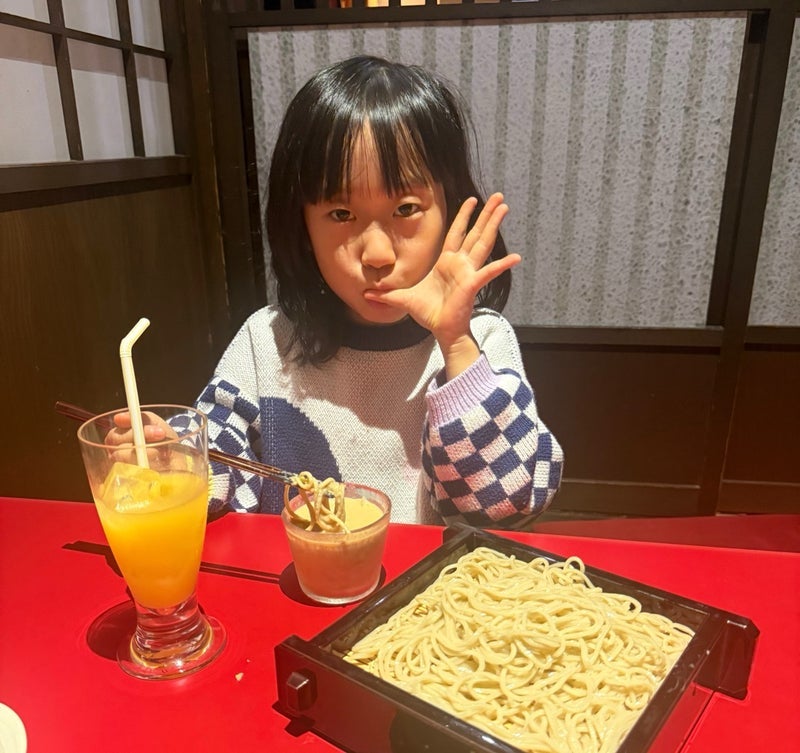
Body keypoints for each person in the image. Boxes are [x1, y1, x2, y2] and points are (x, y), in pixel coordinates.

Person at [115, 55, 563, 527]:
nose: (377, 254)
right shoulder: (268, 341)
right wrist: (174, 457)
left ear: (449, 209)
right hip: (294, 572)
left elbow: (507, 502)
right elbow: (223, 463)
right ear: (301, 225)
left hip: (427, 576)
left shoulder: (479, 342)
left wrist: (455, 344)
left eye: (406, 208)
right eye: (342, 215)